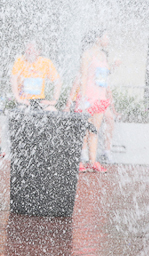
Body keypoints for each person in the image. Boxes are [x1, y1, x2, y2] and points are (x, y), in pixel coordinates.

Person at [65, 29, 118, 173]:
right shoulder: (87, 54)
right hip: (88, 97)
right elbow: (82, 76)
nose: (108, 39)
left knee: (94, 130)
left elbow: (104, 77)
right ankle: (79, 160)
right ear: (97, 38)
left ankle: (92, 161)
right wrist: (82, 98)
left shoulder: (103, 56)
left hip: (100, 98)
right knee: (83, 131)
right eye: (106, 36)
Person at [10, 40, 61, 111]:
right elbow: (13, 78)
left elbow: (57, 81)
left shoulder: (45, 62)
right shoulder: (20, 60)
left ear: (38, 52)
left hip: (40, 100)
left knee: (52, 110)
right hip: (24, 99)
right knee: (22, 110)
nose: (28, 52)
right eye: (27, 49)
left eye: (30, 50)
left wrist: (54, 100)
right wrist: (18, 99)